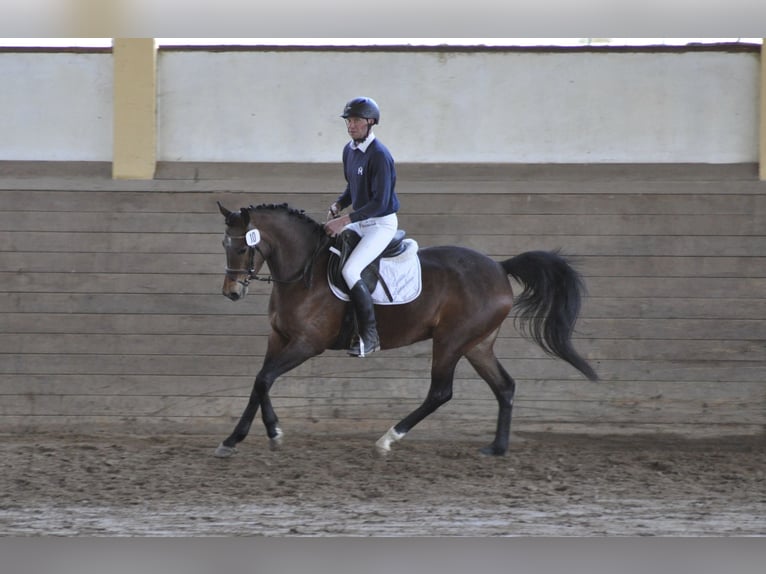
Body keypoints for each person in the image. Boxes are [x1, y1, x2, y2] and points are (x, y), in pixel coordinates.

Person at [324, 96, 400, 357]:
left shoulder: (380, 155)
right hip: (359, 221)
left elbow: (379, 203)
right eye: (348, 120)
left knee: (351, 269)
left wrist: (344, 220)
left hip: (380, 224)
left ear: (370, 122)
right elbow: (352, 188)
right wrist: (339, 204)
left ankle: (370, 336)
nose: (350, 125)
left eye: (355, 120)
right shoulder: (349, 150)